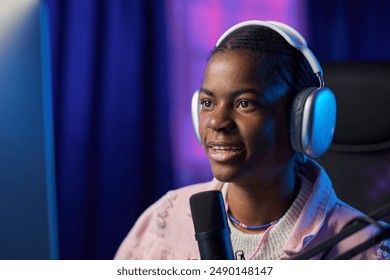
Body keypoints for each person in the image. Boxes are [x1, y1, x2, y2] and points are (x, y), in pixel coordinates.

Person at [114, 20, 390, 260]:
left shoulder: (362, 248)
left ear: (302, 121)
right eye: (208, 102)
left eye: (245, 103)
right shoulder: (166, 218)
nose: (217, 122)